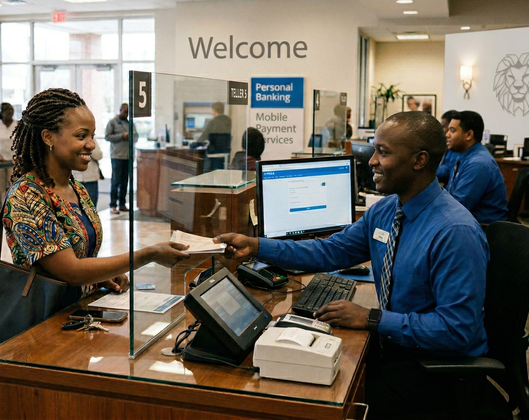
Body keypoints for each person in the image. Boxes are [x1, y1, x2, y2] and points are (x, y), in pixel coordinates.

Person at [215, 112, 498, 418]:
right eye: (375, 149)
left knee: (326, 399)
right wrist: (256, 246)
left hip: (435, 371)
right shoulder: (388, 209)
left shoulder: (455, 232)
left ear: (419, 161)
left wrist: (373, 319)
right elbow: (328, 251)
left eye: (384, 152)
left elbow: (456, 331)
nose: (372, 161)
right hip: (396, 349)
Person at [3, 88, 190, 305]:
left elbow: (81, 260)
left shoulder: (78, 190)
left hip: (81, 311)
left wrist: (98, 277)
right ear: (48, 137)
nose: (91, 144)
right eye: (81, 136)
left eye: (92, 135)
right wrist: (147, 255)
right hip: (43, 321)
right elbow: (70, 271)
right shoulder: (26, 195)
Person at [445, 110, 508, 224]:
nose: (447, 134)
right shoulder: (465, 156)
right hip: (468, 220)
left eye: (452, 130)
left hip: (484, 227)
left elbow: (458, 207)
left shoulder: (478, 164)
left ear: (469, 135)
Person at [105, 103, 137, 214]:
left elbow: (136, 136)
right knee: (116, 181)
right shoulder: (112, 122)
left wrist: (130, 136)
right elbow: (107, 136)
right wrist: (121, 136)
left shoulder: (130, 123)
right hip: (117, 157)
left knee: (125, 181)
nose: (126, 114)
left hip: (128, 157)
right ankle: (113, 205)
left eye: (128, 112)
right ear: (120, 110)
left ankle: (122, 204)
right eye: (125, 111)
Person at [436, 109, 458, 185]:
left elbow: (447, 172)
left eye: (443, 127)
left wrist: (427, 168)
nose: (441, 130)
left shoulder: (456, 148)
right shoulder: (445, 144)